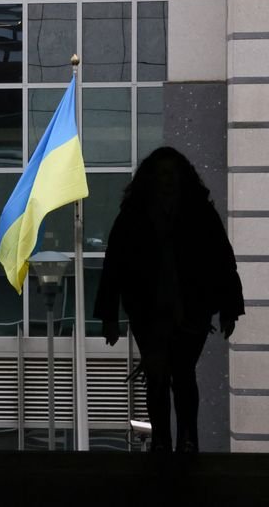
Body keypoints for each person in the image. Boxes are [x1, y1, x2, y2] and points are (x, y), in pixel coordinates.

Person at [93, 147, 244, 453]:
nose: (166, 180)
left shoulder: (137, 215)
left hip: (179, 310)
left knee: (170, 373)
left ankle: (173, 440)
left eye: (170, 173)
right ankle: (178, 440)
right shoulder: (195, 213)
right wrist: (228, 309)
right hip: (163, 311)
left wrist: (230, 309)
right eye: (162, 173)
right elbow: (115, 266)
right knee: (168, 375)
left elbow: (222, 261)